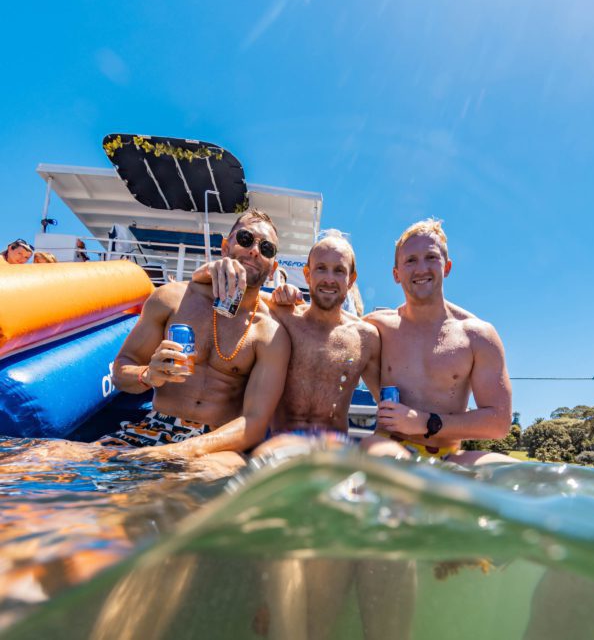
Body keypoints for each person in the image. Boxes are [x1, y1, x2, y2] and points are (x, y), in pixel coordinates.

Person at [193, 231, 412, 640]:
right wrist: (219, 269)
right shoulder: (282, 317)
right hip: (282, 449)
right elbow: (229, 289)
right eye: (322, 269)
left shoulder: (366, 337)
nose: (330, 279)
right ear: (307, 273)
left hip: (334, 455)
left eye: (339, 271)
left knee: (322, 613)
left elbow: (391, 405)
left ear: (352, 278)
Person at [98, 209, 290, 471]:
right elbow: (121, 371)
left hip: (216, 444)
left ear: (273, 268)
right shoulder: (171, 298)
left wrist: (179, 451)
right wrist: (148, 374)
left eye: (266, 248)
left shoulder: (269, 332)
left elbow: (254, 423)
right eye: (245, 239)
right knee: (43, 456)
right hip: (153, 426)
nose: (255, 250)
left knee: (203, 474)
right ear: (225, 246)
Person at [363, 218, 514, 466]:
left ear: (447, 267)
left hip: (448, 455)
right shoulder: (377, 327)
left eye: (431, 257)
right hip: (389, 447)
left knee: (519, 473)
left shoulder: (477, 336)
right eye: (410, 260)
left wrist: (424, 421)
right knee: (386, 458)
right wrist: (286, 297)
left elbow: (499, 422)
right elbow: (327, 327)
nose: (421, 268)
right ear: (396, 274)